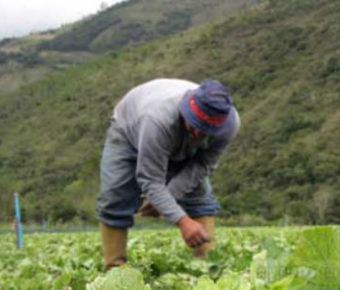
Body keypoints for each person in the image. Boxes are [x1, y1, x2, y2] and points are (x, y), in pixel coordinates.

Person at [96, 78, 240, 269]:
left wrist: (167, 198)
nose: (199, 134)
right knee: (115, 195)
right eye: (196, 126)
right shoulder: (157, 120)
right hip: (129, 130)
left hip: (170, 134)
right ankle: (115, 269)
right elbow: (150, 179)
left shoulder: (230, 125)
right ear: (186, 113)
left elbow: (203, 165)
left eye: (207, 131)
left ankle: (207, 266)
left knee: (200, 196)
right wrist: (182, 221)